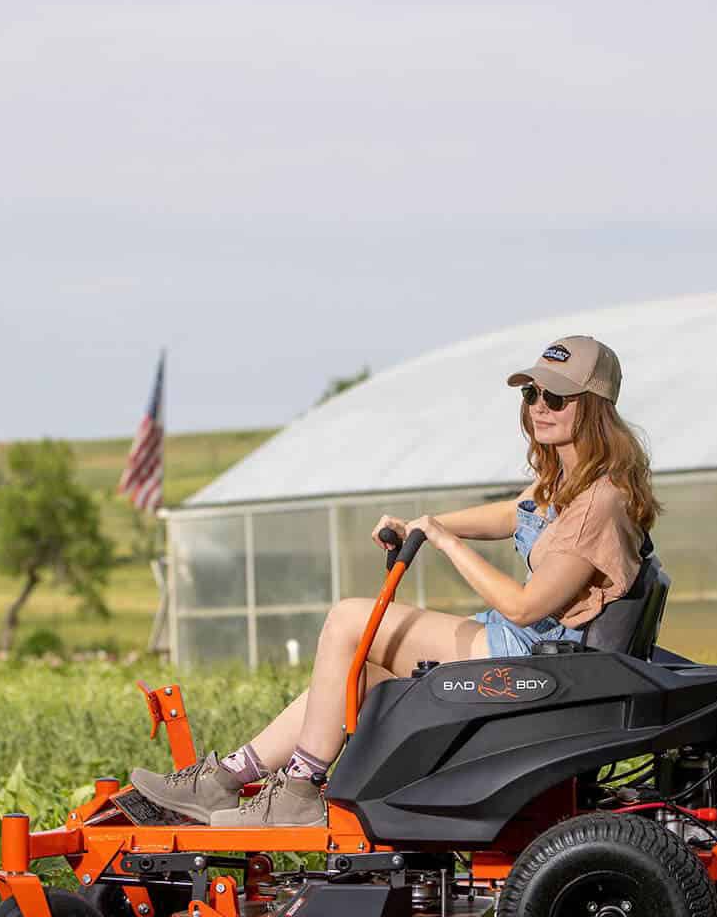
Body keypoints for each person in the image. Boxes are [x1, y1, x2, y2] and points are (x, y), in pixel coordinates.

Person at [130, 335, 661, 827]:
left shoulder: (598, 503)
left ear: (593, 407)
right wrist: (426, 526)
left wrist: (445, 544)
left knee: (348, 619)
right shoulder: (572, 480)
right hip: (523, 645)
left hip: (533, 661)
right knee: (354, 679)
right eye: (532, 393)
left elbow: (525, 607)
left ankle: (299, 791)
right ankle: (224, 781)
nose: (539, 406)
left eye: (557, 398)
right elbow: (513, 513)